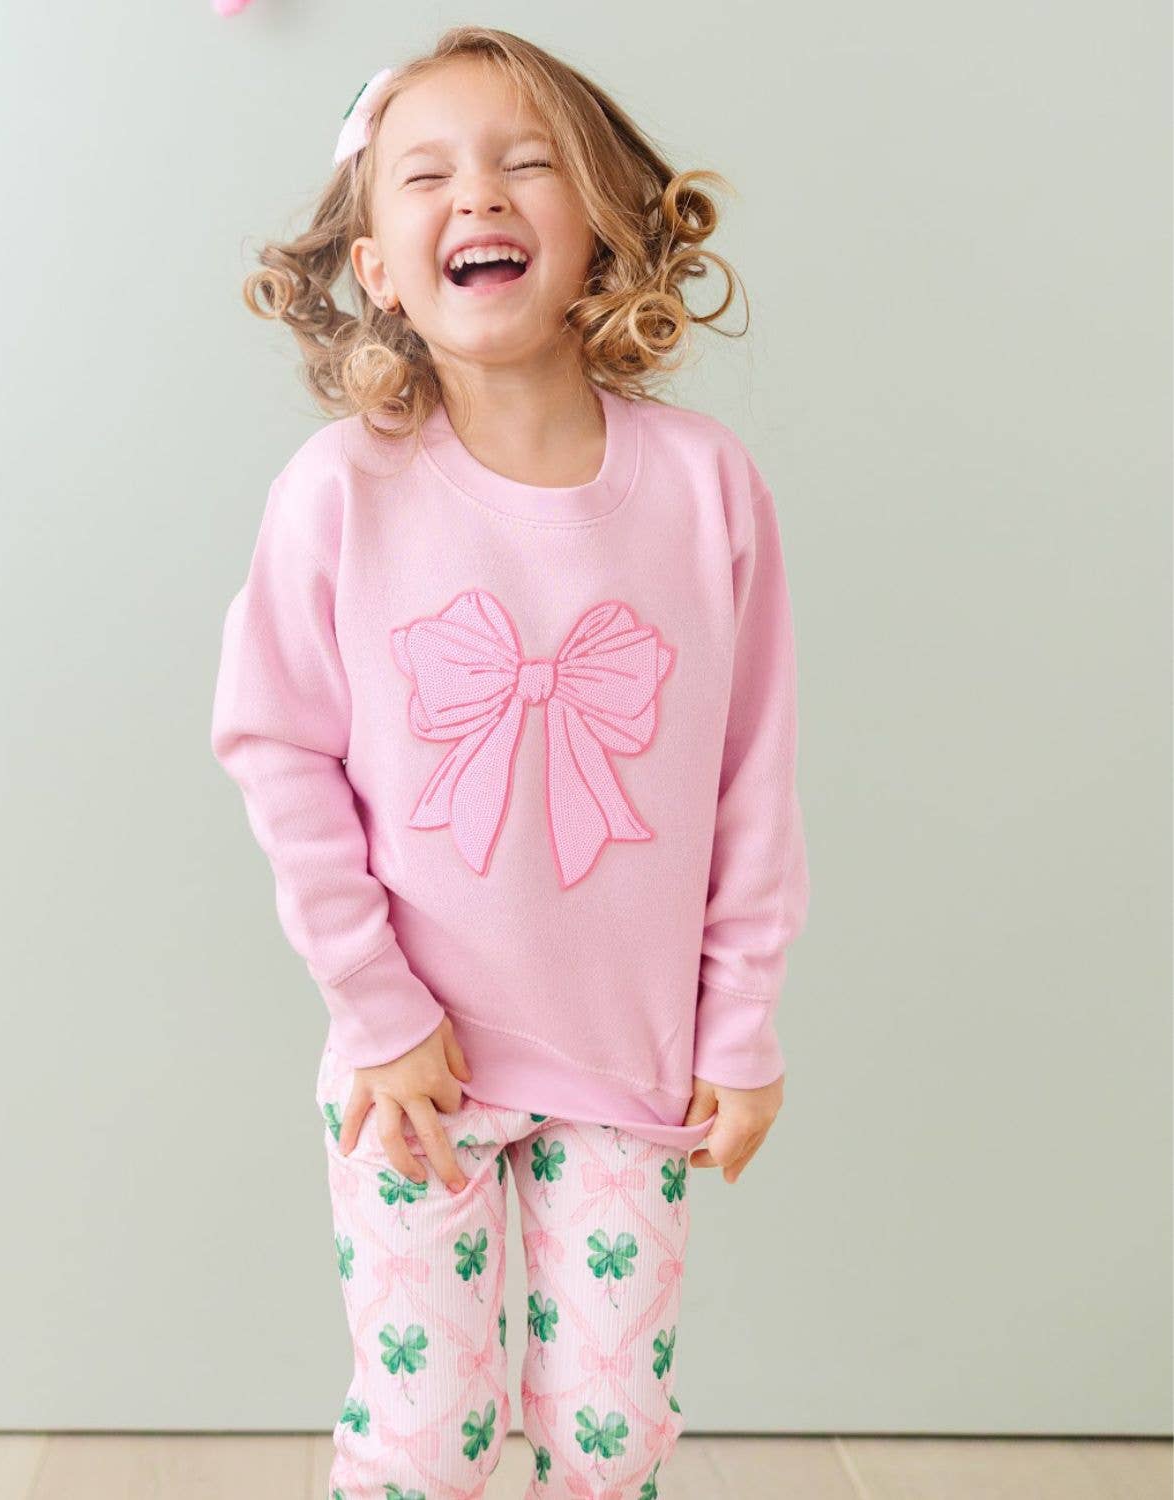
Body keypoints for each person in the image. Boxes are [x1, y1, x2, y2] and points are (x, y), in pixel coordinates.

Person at [209, 25, 810, 1499]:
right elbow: (277, 749)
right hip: (415, 1069)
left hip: (630, 1063)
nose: (476, 193)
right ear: (377, 266)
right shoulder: (340, 491)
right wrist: (377, 1008)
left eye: (524, 162)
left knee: (615, 1435)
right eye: (426, 176)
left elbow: (752, 774)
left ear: (598, 224)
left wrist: (739, 1025)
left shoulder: (705, 486)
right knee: (424, 1444)